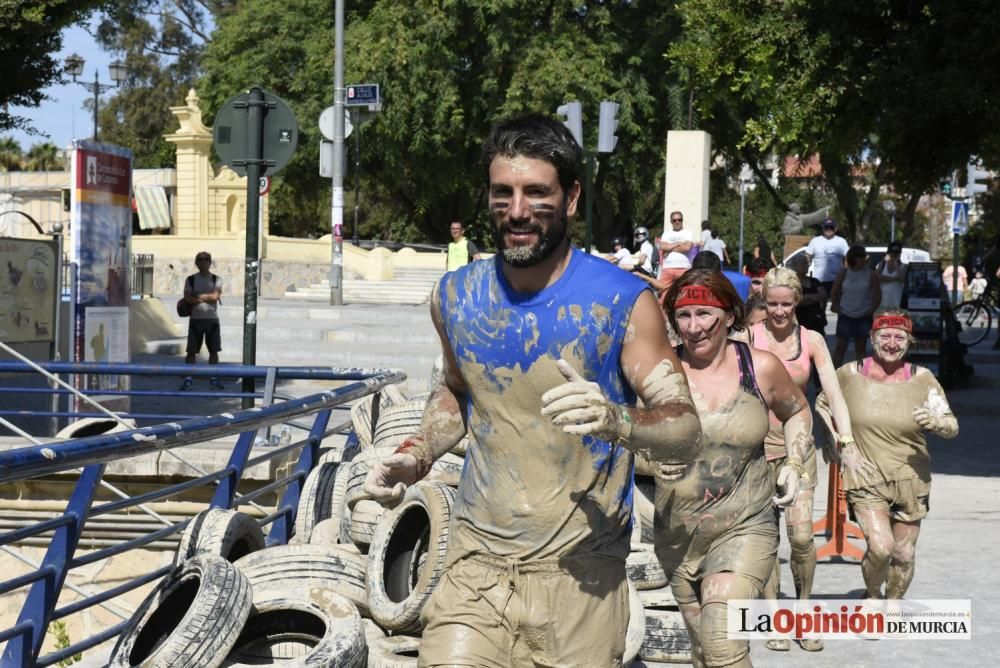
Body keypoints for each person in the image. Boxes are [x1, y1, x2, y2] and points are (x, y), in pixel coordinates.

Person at [363, 113, 702, 667]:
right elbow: (456, 393)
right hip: (475, 570)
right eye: (504, 193)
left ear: (570, 199)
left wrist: (617, 420)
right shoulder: (455, 296)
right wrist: (416, 454)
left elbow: (685, 430)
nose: (517, 211)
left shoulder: (621, 301)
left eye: (536, 193)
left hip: (581, 577)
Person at [656, 270, 812, 668]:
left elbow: (796, 411)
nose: (693, 328)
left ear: (729, 315)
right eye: (683, 316)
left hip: (746, 522)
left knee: (723, 643)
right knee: (702, 650)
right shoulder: (658, 374)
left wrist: (794, 461)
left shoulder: (759, 367)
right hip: (678, 533)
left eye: (705, 314)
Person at [816, 310, 958, 601]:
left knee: (903, 552)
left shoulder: (923, 379)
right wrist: (840, 445)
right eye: (885, 336)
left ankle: (893, 603)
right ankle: (872, 596)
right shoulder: (849, 374)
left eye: (899, 337)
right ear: (872, 338)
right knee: (881, 547)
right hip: (865, 474)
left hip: (910, 478)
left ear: (909, 342)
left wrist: (937, 423)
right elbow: (822, 405)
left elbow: (951, 425)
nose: (892, 343)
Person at [751, 267, 855, 653]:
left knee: (800, 536)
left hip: (800, 451)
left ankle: (804, 611)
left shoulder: (810, 340)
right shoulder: (748, 337)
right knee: (765, 539)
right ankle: (776, 617)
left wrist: (846, 440)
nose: (778, 312)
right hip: (757, 452)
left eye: (786, 304)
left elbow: (835, 394)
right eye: (772, 303)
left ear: (797, 303)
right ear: (764, 302)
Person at [831, 245, 881, 367]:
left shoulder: (871, 274)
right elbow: (834, 291)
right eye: (861, 256)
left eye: (864, 256)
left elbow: (877, 294)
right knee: (840, 347)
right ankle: (833, 376)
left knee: (860, 348)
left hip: (863, 315)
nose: (864, 259)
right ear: (854, 258)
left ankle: (861, 377)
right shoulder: (844, 273)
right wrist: (837, 308)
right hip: (846, 314)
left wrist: (871, 310)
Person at [181, 251, 223, 391]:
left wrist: (197, 296)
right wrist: (207, 297)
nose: (203, 262)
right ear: (196, 262)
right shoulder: (191, 279)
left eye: (206, 259)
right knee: (191, 352)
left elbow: (215, 296)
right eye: (200, 259)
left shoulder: (217, 279)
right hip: (195, 320)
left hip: (212, 320)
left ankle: (214, 378)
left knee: (213, 351)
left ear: (210, 262)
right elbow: (187, 299)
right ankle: (188, 379)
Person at [805, 218, 850, 299]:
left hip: (837, 280)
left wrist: (845, 273)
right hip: (819, 281)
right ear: (823, 228)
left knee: (837, 304)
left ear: (835, 229)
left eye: (831, 228)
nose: (828, 230)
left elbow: (848, 258)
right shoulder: (815, 241)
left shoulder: (841, 241)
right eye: (826, 227)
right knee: (821, 304)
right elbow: (807, 257)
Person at [788, 253, 828, 334]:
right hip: (798, 323)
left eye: (807, 263)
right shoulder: (791, 283)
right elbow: (795, 301)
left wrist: (806, 297)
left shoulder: (814, 281)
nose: (807, 265)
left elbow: (823, 296)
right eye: (803, 263)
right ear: (795, 266)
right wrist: (814, 298)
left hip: (816, 323)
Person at [659, 210, 693, 287]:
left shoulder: (688, 232)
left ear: (682, 220)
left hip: (684, 267)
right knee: (662, 292)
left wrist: (669, 247)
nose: (677, 222)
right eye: (674, 220)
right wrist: (678, 243)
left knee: (684, 292)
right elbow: (662, 247)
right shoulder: (666, 234)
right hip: (668, 267)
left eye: (679, 220)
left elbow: (687, 248)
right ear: (671, 221)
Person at [876, 241, 908, 309]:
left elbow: (902, 278)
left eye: (897, 251)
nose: (894, 253)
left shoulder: (903, 266)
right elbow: (877, 277)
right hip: (882, 304)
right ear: (888, 252)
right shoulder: (883, 264)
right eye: (892, 251)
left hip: (896, 305)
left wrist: (896, 263)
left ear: (900, 253)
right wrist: (894, 278)